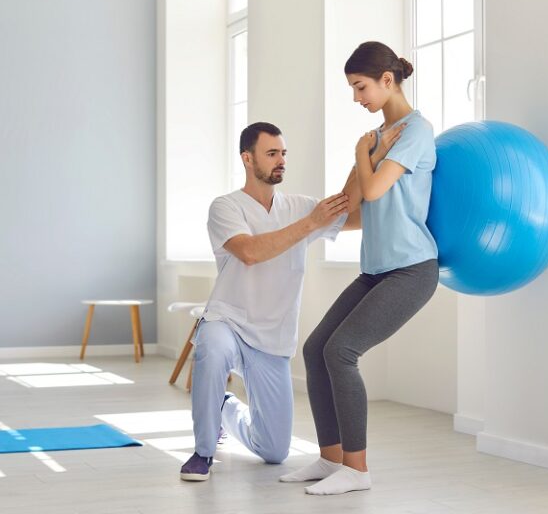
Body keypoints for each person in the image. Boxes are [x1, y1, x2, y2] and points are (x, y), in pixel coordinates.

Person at [279, 41, 439, 495]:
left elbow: (373, 192)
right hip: (377, 270)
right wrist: (367, 151)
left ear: (388, 80)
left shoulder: (417, 131)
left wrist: (361, 152)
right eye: (353, 88)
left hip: (412, 269)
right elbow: (352, 200)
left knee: (341, 352)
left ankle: (357, 468)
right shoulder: (377, 138)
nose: (357, 98)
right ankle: (331, 460)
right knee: (315, 349)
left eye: (360, 87)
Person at [180, 121, 358, 481]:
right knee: (212, 351)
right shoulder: (225, 207)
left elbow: (353, 212)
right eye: (272, 153)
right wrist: (310, 224)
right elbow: (249, 252)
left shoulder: (300, 207)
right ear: (248, 158)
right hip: (227, 320)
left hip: (272, 337)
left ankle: (226, 408)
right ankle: (203, 452)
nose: (281, 161)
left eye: (283, 154)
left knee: (275, 452)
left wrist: (365, 161)